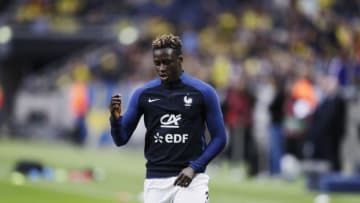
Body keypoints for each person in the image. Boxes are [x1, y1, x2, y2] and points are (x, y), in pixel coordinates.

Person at [109, 34, 226, 203]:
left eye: (167, 62)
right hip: (155, 181)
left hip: (192, 180)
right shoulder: (143, 94)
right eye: (157, 63)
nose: (162, 67)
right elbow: (121, 139)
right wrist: (115, 119)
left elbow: (220, 138)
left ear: (180, 60)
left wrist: (194, 167)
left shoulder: (204, 92)